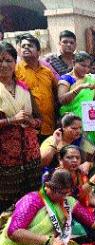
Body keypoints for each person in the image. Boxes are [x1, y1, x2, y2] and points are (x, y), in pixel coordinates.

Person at [0, 42, 42, 212]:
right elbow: (13, 120)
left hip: (30, 156)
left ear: (15, 62)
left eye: (8, 60)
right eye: (0, 60)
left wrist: (32, 122)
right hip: (5, 159)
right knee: (6, 204)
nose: (4, 65)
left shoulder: (24, 88)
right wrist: (11, 120)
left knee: (30, 201)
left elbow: (39, 119)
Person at [15, 33, 58, 141]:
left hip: (49, 126)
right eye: (23, 46)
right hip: (26, 128)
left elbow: (56, 93)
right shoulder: (14, 71)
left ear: (39, 52)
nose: (26, 48)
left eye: (30, 45)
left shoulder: (47, 71)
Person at [57, 51, 95, 145]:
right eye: (82, 65)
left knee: (88, 154)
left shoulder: (92, 80)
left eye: (88, 66)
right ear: (73, 63)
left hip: (90, 125)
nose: (86, 69)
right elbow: (62, 100)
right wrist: (80, 87)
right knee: (73, 154)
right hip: (72, 125)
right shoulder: (66, 79)